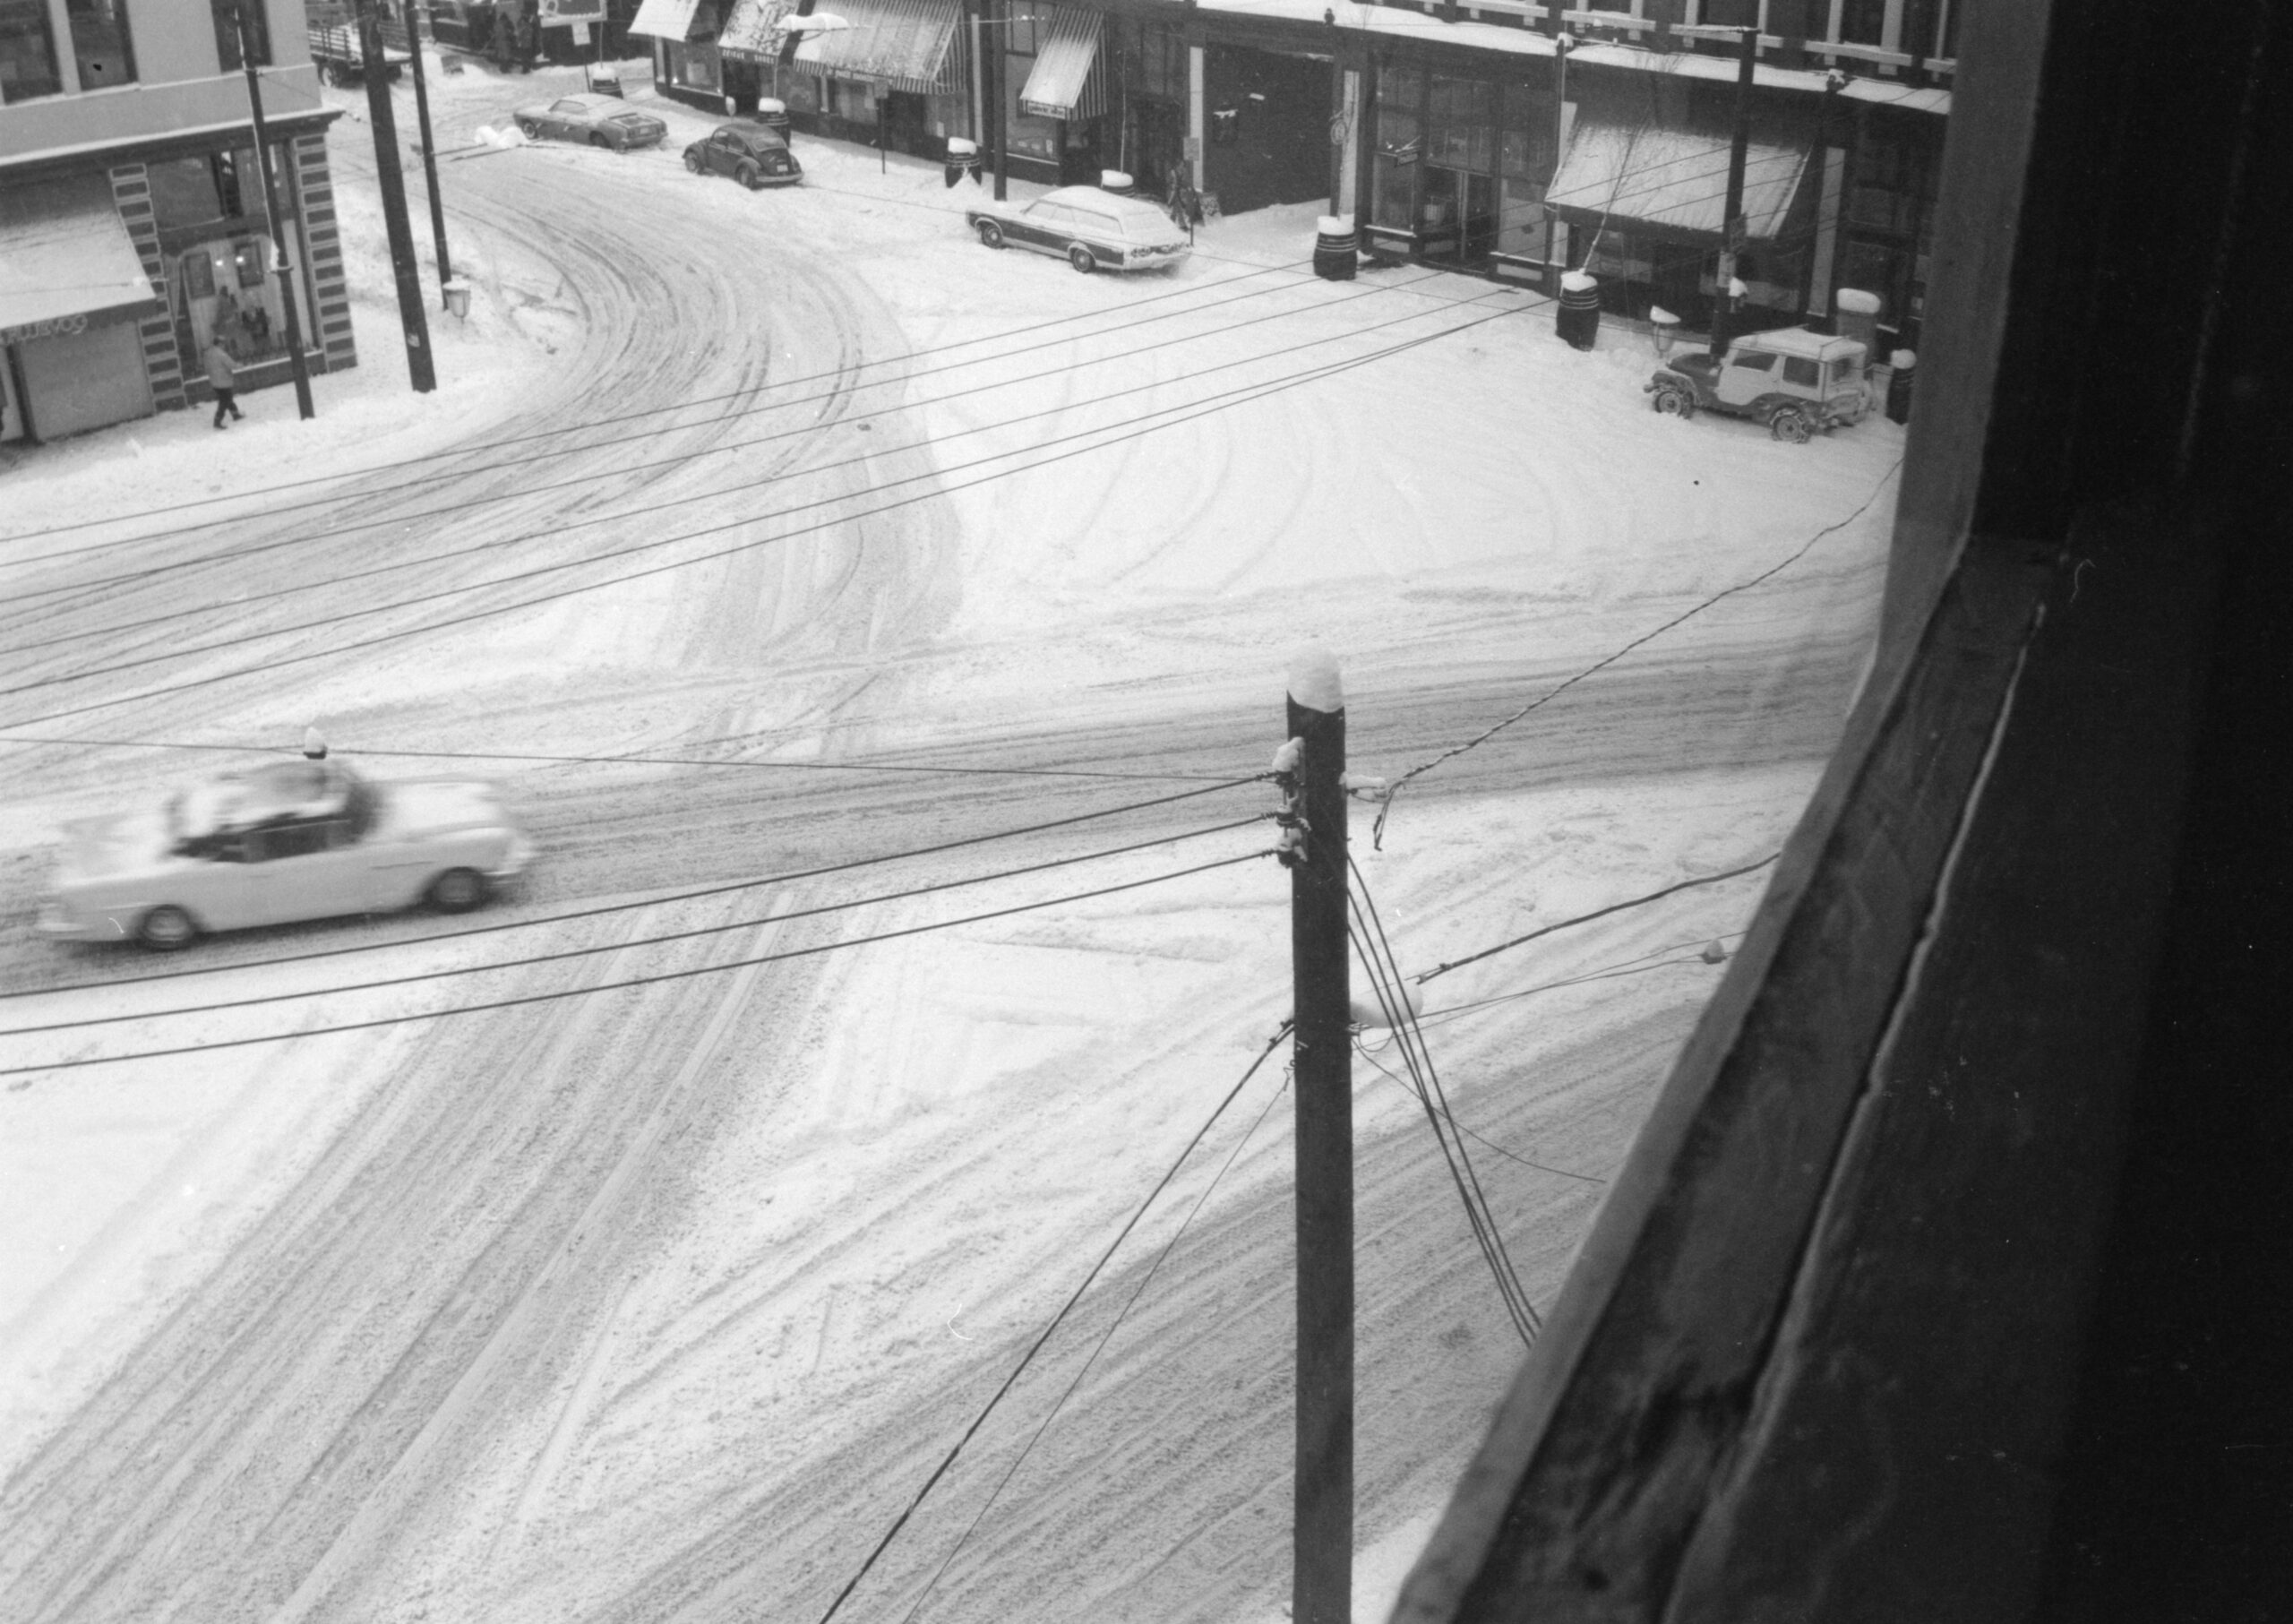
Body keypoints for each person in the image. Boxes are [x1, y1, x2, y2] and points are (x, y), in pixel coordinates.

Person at [204, 339, 244, 429]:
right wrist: (239, 365)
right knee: (225, 401)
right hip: (223, 380)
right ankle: (217, 421)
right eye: (223, 344)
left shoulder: (208, 354)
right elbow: (231, 364)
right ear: (219, 344)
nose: (224, 346)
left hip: (214, 381)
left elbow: (207, 368)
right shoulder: (221, 354)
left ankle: (235, 414)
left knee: (227, 398)